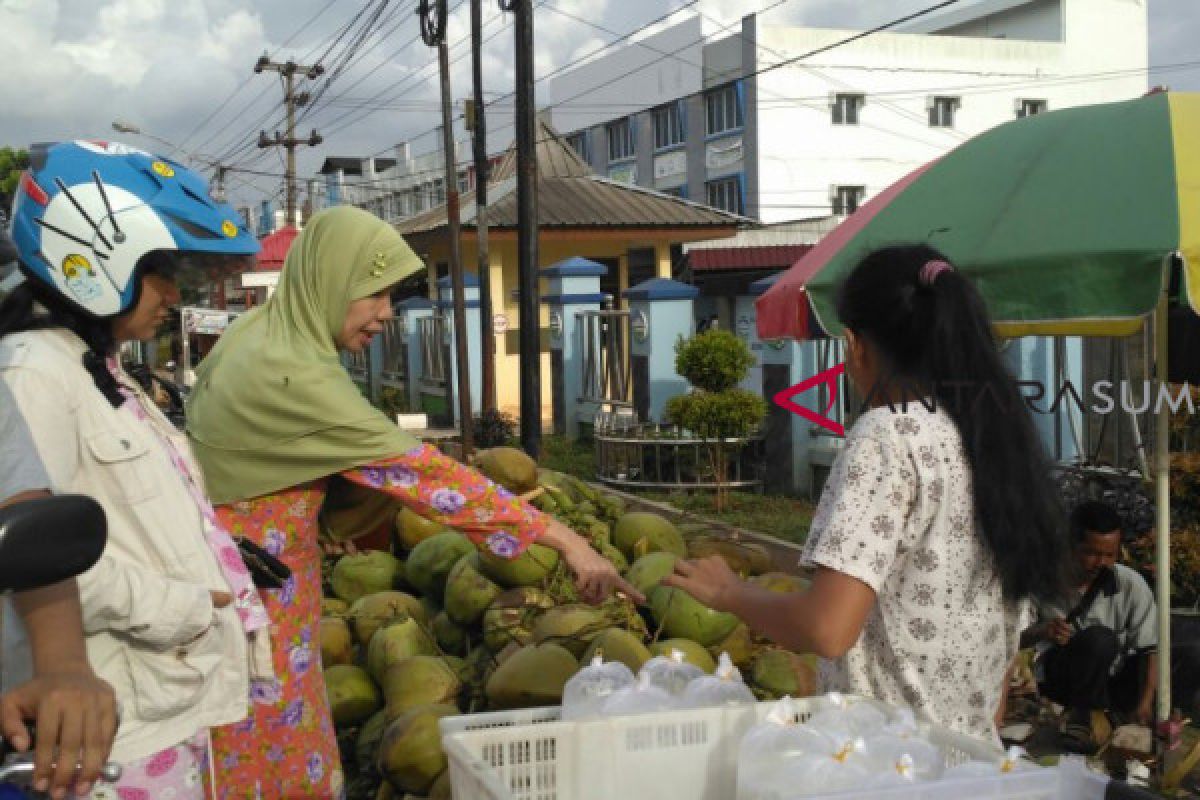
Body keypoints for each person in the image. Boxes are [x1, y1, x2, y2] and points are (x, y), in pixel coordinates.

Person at [184, 205, 641, 800]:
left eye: (393, 296)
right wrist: (569, 542)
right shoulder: (291, 371)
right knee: (264, 762)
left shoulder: (259, 336)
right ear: (328, 280)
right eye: (372, 293)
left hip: (252, 588)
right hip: (253, 601)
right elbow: (427, 478)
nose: (385, 314)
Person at [666, 244, 1068, 743]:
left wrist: (727, 592)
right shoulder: (994, 436)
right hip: (970, 763)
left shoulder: (887, 435)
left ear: (855, 346)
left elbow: (827, 628)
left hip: (885, 764)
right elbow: (1000, 668)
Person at [0, 140, 274, 799]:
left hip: (151, 701)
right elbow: (36, 549)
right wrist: (181, 605)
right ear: (95, 262)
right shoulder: (34, 373)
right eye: (158, 271)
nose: (173, 294)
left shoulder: (98, 368)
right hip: (107, 720)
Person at [1022, 500, 1157, 752]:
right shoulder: (1043, 582)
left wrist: (1146, 703)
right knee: (1099, 640)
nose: (1101, 563)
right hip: (1061, 680)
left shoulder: (1131, 585)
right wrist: (1044, 631)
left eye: (1110, 555)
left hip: (1111, 683)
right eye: (1092, 553)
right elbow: (1014, 639)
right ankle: (1082, 719)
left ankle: (1103, 718)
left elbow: (1150, 650)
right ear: (1071, 547)